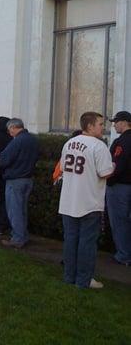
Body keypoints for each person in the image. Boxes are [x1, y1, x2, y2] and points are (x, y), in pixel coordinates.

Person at [59, 112, 114, 289]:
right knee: (87, 243)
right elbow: (105, 173)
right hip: (89, 202)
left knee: (71, 240)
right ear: (90, 126)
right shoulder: (98, 146)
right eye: (100, 124)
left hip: (68, 200)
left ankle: (69, 276)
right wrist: (113, 166)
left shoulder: (69, 143)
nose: (102, 127)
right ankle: (84, 280)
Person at [0, 118, 39, 248]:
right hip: (28, 178)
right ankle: (23, 235)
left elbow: (4, 159)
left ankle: (17, 238)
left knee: (14, 210)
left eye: (10, 130)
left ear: (14, 127)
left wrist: (0, 159)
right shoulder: (32, 139)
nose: (9, 133)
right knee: (22, 210)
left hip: (15, 179)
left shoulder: (17, 141)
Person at [107, 111, 131, 267]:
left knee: (120, 222)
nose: (114, 125)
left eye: (115, 122)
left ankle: (124, 255)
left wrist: (108, 180)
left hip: (120, 187)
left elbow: (115, 166)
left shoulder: (122, 141)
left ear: (124, 122)